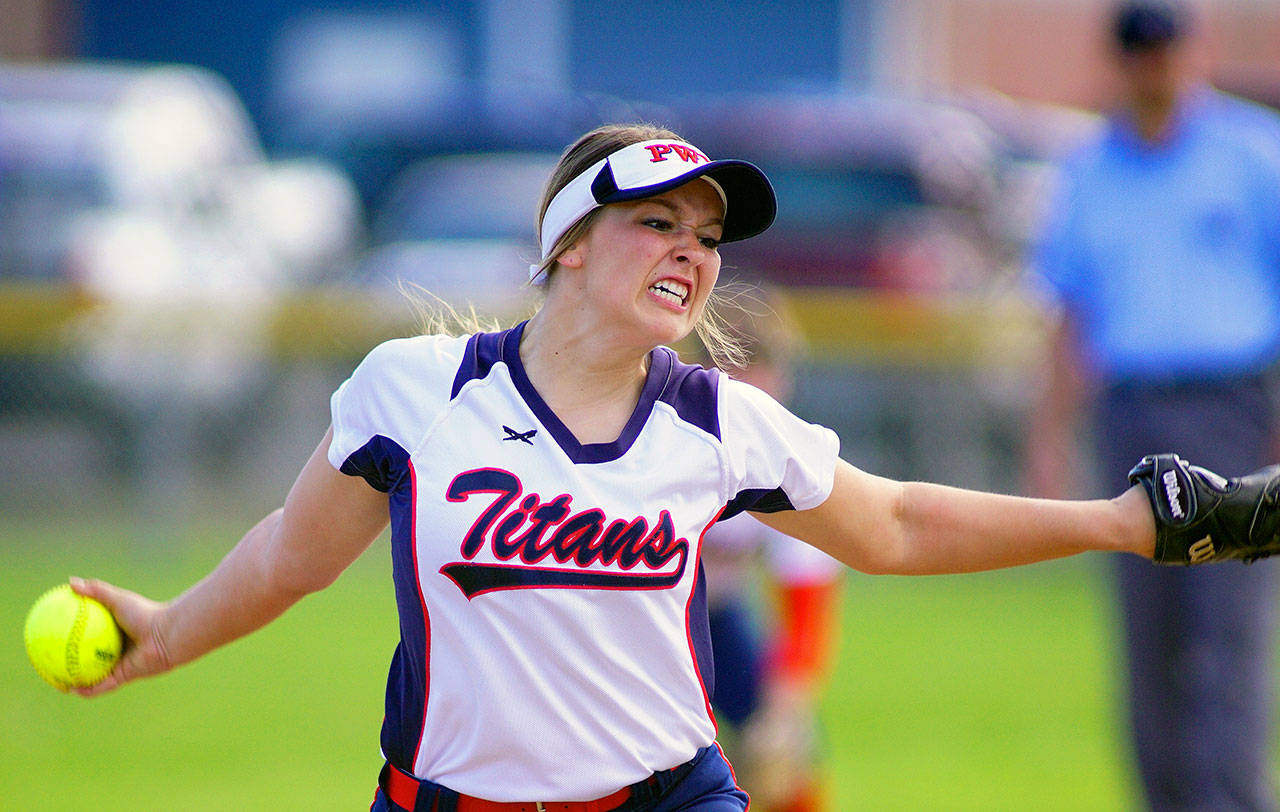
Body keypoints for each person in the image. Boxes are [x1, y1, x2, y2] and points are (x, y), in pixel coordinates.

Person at [70, 121, 1276, 812]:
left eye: (706, 236)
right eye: (657, 222)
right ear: (570, 245)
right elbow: (291, 555)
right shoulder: (416, 389)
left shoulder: (715, 421)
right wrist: (166, 630)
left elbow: (897, 522)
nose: (691, 251)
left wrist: (1123, 519)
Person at [1026, 2, 1280, 809]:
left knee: (1226, 627)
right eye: (1140, 51)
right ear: (1122, 60)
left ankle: (1231, 798)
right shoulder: (1089, 167)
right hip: (1132, 411)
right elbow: (1071, 311)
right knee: (1152, 630)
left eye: (1167, 48)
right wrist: (1050, 432)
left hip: (1233, 403)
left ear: (1194, 51)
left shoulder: (1252, 154)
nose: (1156, 66)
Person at [689, 290, 842, 812]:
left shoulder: (785, 458)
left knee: (785, 753)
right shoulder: (656, 436)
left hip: (715, 617)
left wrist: (784, 713)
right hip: (631, 621)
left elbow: (805, 610)